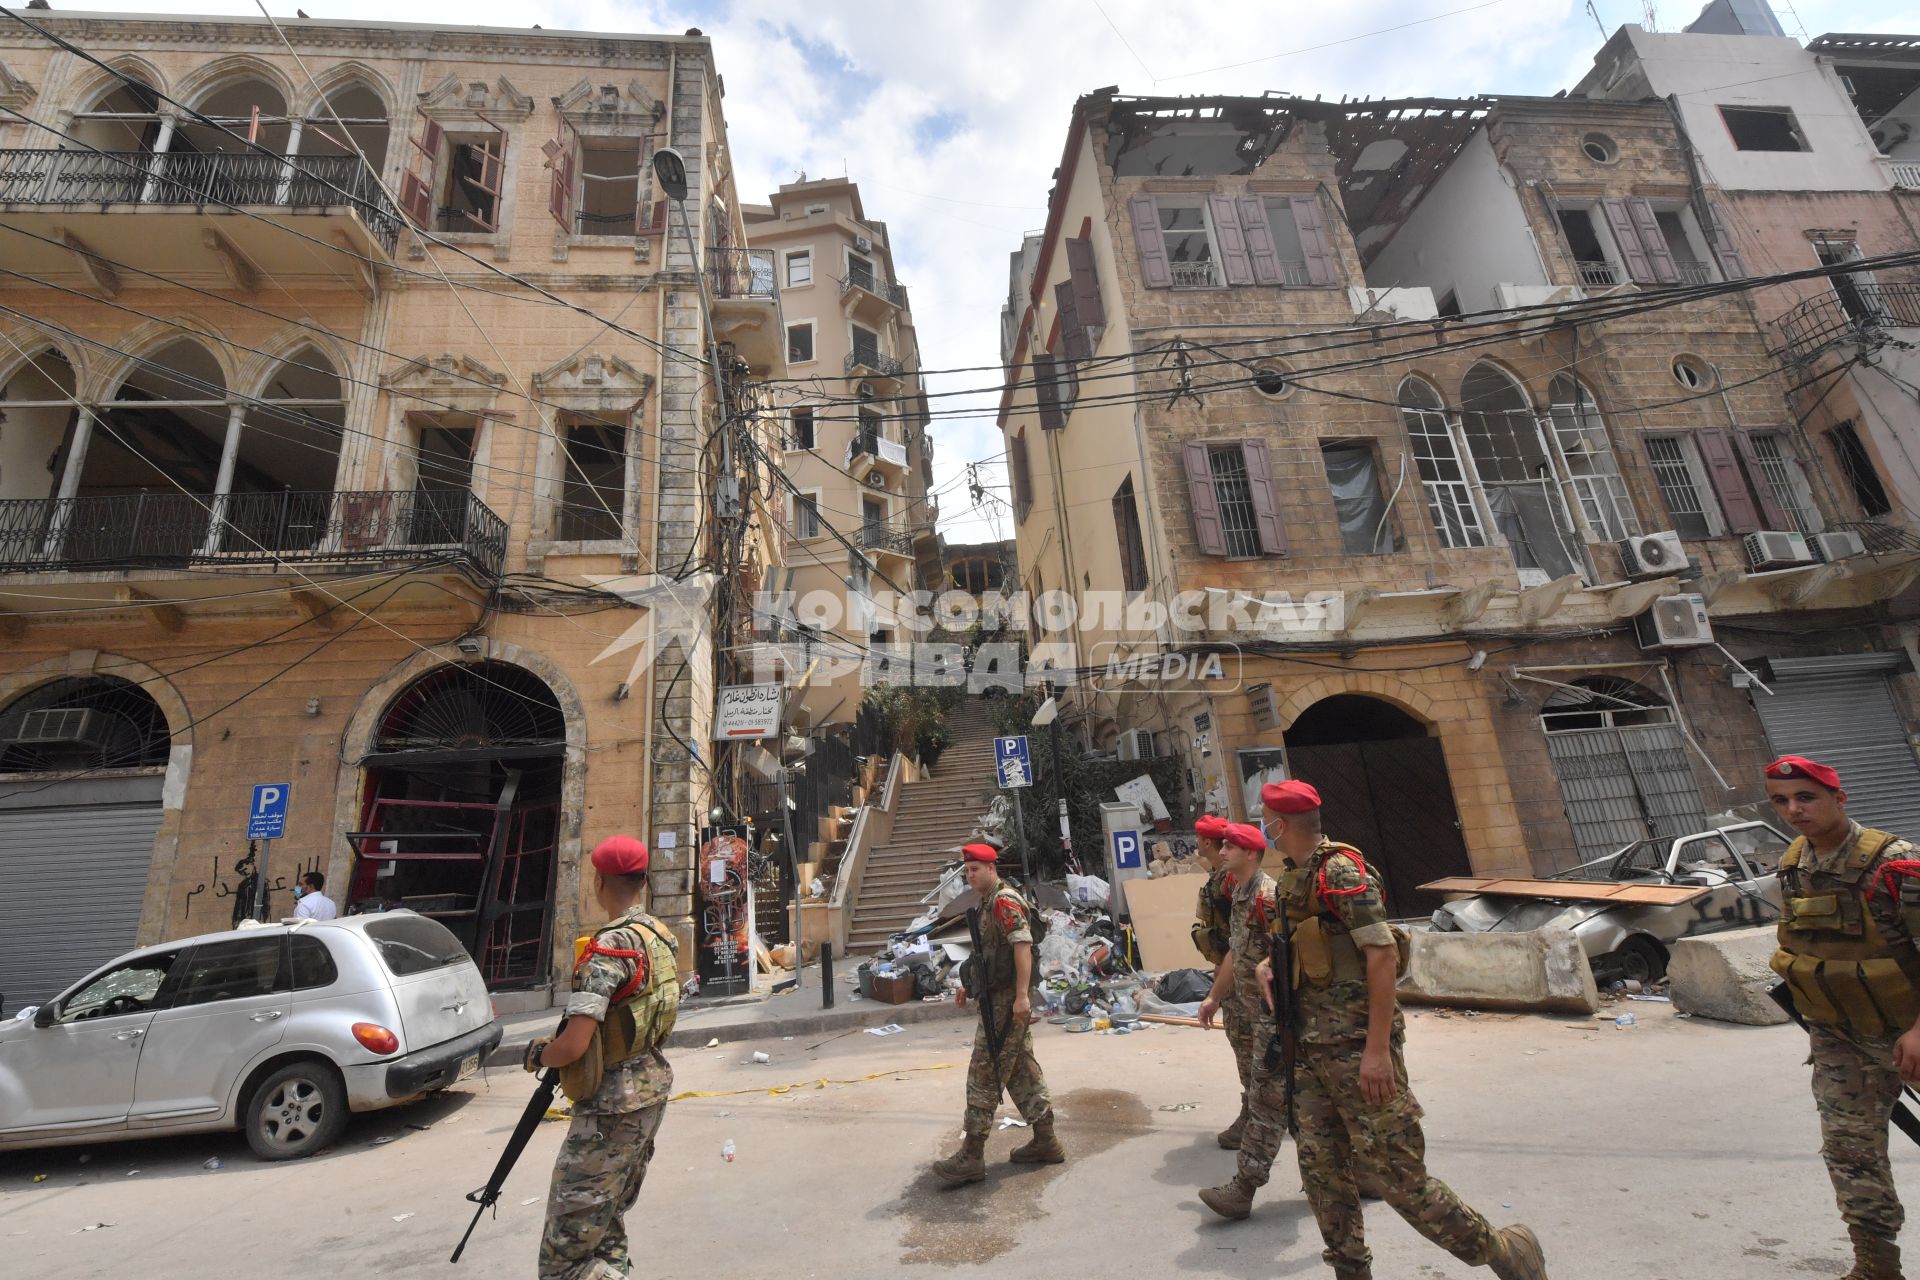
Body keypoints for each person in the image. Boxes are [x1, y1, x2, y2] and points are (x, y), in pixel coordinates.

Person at [1255, 779, 1547, 1280]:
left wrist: (1376, 1051)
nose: (1263, 827)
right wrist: (1269, 964)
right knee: (1322, 1174)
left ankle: (1504, 1251)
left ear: (1281, 824)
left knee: (1399, 1179)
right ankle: (1350, 1270)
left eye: (1265, 818)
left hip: (1355, 1050)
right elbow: (1311, 947)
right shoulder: (1291, 880)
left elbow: (1383, 955)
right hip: (1306, 1050)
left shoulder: (1341, 873)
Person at [1765, 754, 1920, 1280]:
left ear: (1839, 799)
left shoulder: (1896, 862)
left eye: (1805, 797)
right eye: (1781, 801)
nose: (1793, 810)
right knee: (1850, 1152)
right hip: (1841, 1036)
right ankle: (1876, 1267)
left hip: (1910, 1029)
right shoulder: (1793, 865)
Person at [525, 835, 680, 1280]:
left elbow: (573, 1045)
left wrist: (539, 1055)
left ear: (597, 882)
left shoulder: (607, 951)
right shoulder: (659, 937)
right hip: (649, 1091)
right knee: (606, 1224)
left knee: (564, 1257)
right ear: (644, 881)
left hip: (612, 1106)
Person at [932, 842, 1063, 1185]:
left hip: (1006, 1003)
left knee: (983, 1074)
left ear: (992, 869)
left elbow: (1022, 946)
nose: (970, 875)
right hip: (996, 998)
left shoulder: (1003, 901)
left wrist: (1022, 997)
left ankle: (972, 1156)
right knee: (1021, 1070)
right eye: (967, 871)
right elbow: (990, 955)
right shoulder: (988, 902)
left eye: (976, 869)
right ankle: (1046, 1141)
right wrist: (970, 985)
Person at [1196, 820, 1289, 1220]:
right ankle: (1364, 1169)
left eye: (1231, 847)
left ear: (1250, 853)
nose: (1222, 852)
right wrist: (1215, 996)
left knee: (1267, 1101)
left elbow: (1287, 956)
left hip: (1275, 1018)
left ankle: (1243, 1188)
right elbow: (1236, 951)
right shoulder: (1239, 895)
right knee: (1297, 1103)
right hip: (1252, 1013)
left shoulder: (1267, 897)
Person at [1188, 813, 1246, 1147]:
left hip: (1239, 974)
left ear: (1206, 842)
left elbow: (1239, 936)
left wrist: (1217, 990)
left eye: (1200, 839)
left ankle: (1255, 1116)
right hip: (1230, 968)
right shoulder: (1218, 876)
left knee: (1248, 1045)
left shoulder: (1228, 880)